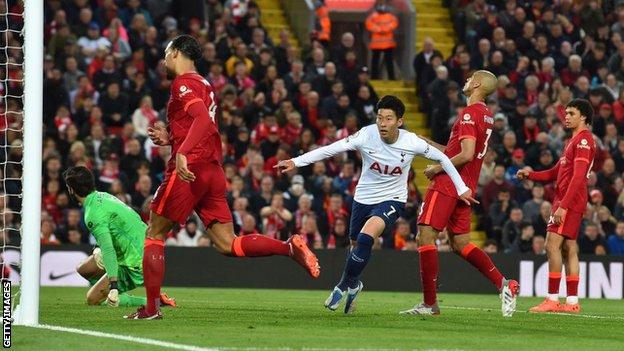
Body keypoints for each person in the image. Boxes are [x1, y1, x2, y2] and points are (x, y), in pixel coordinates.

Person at [128, 35, 319, 320]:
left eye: (167, 53)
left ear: (178, 53)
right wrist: (172, 138)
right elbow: (201, 124)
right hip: (212, 171)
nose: (164, 59)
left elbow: (203, 121)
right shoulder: (205, 84)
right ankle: (288, 247)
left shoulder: (182, 83)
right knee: (227, 243)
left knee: (154, 233)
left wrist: (182, 152)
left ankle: (151, 309)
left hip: (188, 170)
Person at [276, 95, 476, 314]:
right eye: (380, 118)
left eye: (388, 119)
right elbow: (330, 149)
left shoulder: (411, 142)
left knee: (366, 237)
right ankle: (354, 285)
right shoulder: (366, 135)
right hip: (363, 198)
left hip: (393, 199)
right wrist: (295, 161)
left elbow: (444, 158)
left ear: (399, 121)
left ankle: (342, 286)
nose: (382, 123)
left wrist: (461, 188)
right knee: (355, 246)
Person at [402, 70, 519, 317]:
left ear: (476, 84)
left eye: (469, 79)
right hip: (466, 185)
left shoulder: (468, 113)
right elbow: (457, 150)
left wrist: (436, 167)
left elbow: (465, 154)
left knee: (425, 236)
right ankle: (503, 283)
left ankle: (429, 304)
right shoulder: (486, 116)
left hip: (448, 184)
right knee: (460, 243)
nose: (465, 81)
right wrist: (426, 143)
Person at [517, 98, 596, 314]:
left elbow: (579, 176)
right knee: (569, 248)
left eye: (571, 113)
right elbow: (555, 172)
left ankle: (552, 299)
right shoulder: (572, 141)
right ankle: (572, 302)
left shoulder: (583, 140)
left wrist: (563, 206)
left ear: (584, 117)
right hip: (569, 200)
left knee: (551, 245)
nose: (566, 116)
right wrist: (531, 174)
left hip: (568, 201)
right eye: (566, 113)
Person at [65, 166, 176, 309]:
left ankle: (154, 301)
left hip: (136, 262)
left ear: (71, 190)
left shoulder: (92, 214)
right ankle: (106, 291)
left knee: (92, 299)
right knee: (84, 269)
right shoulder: (103, 196)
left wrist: (113, 286)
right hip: (144, 246)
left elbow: (108, 249)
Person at [365, 3, 398, 80]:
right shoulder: (373, 16)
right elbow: (368, 24)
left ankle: (391, 78)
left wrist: (382, 29)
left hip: (387, 44)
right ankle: (374, 77)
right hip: (377, 44)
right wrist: (381, 29)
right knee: (375, 62)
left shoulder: (391, 16)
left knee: (389, 62)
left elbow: (394, 23)